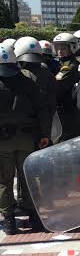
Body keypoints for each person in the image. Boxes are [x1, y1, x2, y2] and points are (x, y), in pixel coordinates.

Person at [0, 43, 50, 234]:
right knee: (28, 178)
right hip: (28, 138)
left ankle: (9, 221)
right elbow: (42, 109)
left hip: (3, 141)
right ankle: (34, 217)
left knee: (4, 180)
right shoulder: (28, 80)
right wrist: (44, 134)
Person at [52, 32, 80, 140]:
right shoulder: (61, 63)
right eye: (57, 47)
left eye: (63, 48)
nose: (59, 51)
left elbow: (56, 85)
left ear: (72, 48)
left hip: (67, 110)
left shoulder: (69, 66)